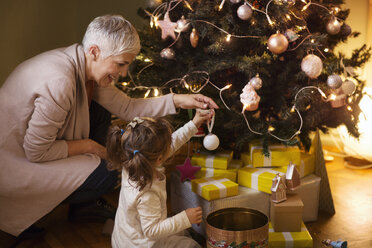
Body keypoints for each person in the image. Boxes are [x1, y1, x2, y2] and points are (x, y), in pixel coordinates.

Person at [0, 14, 218, 240]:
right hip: (16, 163)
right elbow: (36, 151)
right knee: (110, 172)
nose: (123, 73)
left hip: (35, 149)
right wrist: (92, 147)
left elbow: (127, 107)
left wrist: (179, 100)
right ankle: (59, 207)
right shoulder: (59, 81)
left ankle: (82, 205)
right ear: (94, 51)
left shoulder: (84, 65)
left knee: (104, 114)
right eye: (121, 64)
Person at [106, 111, 212, 248]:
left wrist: (194, 124)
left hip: (125, 237)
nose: (171, 146)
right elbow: (151, 231)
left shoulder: (132, 159)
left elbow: (174, 142)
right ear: (159, 159)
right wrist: (185, 218)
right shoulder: (147, 193)